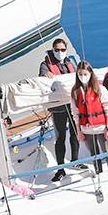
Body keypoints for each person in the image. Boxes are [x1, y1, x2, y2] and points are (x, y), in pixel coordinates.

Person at [65, 61, 108, 179]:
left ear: (90, 73)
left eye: (85, 74)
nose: (83, 77)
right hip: (86, 129)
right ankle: (99, 175)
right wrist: (78, 132)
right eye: (80, 74)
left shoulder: (100, 89)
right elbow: (75, 113)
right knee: (94, 155)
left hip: (101, 128)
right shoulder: (75, 92)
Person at [38, 37, 79, 169]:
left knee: (75, 133)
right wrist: (46, 75)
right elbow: (42, 77)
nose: (60, 52)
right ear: (53, 50)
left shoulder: (71, 62)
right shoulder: (45, 65)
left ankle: (75, 161)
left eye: (62, 49)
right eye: (57, 50)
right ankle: (60, 167)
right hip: (58, 107)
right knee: (60, 136)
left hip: (72, 104)